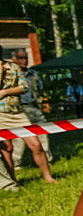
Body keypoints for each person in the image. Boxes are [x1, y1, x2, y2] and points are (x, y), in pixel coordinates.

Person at [0, 46, 57, 186]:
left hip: (18, 112)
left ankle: (48, 177)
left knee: (36, 145)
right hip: (0, 114)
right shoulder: (4, 68)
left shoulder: (13, 67)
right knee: (7, 149)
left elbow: (24, 87)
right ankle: (12, 182)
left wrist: (4, 92)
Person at [11, 48, 52, 169]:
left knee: (42, 134)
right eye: (21, 58)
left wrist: (42, 103)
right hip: (17, 109)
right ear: (15, 60)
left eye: (25, 57)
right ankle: (16, 164)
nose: (24, 60)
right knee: (18, 138)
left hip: (33, 108)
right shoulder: (11, 74)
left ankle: (47, 160)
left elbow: (40, 89)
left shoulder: (33, 74)